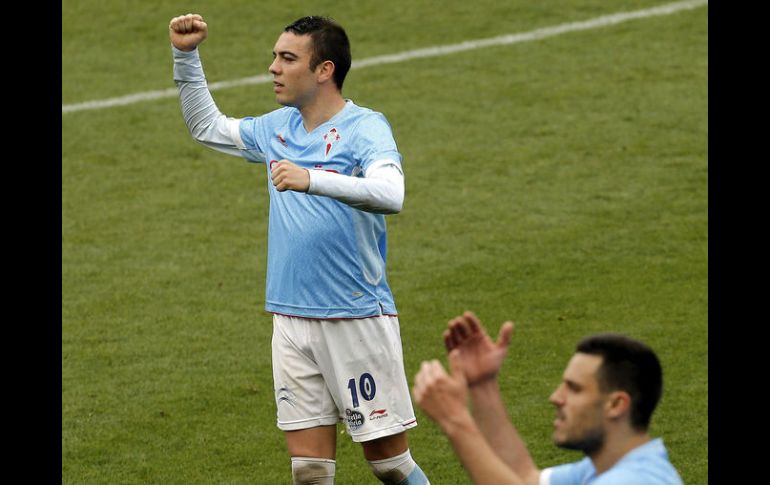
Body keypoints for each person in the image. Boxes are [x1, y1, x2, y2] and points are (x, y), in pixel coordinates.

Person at [168, 13, 429, 485]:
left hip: (354, 317)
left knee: (389, 466)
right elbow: (207, 127)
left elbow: (392, 195)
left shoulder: (365, 128)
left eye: (287, 58)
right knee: (309, 471)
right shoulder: (277, 128)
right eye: (275, 57)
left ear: (324, 70)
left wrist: (312, 180)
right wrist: (186, 56)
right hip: (290, 318)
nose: (273, 67)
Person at [412, 311, 683, 484]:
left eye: (574, 388)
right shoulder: (600, 470)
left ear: (616, 404)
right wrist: (483, 386)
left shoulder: (634, 481)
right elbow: (523, 478)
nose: (556, 397)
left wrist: (456, 421)